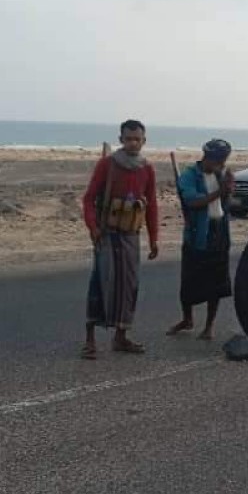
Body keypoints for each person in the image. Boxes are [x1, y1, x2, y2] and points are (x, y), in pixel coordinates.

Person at [81, 120, 159, 358]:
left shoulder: (147, 169)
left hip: (130, 236)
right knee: (101, 283)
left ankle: (121, 337)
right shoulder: (108, 165)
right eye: (128, 138)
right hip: (107, 234)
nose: (133, 143)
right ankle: (90, 340)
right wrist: (93, 228)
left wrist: (154, 238)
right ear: (121, 139)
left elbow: (152, 204)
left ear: (144, 141)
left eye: (137, 139)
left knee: (128, 287)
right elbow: (89, 199)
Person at [167, 138, 234, 341]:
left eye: (224, 161)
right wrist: (219, 192)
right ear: (208, 158)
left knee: (216, 282)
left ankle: (209, 326)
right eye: (219, 161)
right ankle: (187, 319)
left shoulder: (221, 174)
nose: (221, 165)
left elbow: (225, 203)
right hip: (197, 234)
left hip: (219, 231)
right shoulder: (189, 176)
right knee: (189, 281)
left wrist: (227, 191)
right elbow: (193, 201)